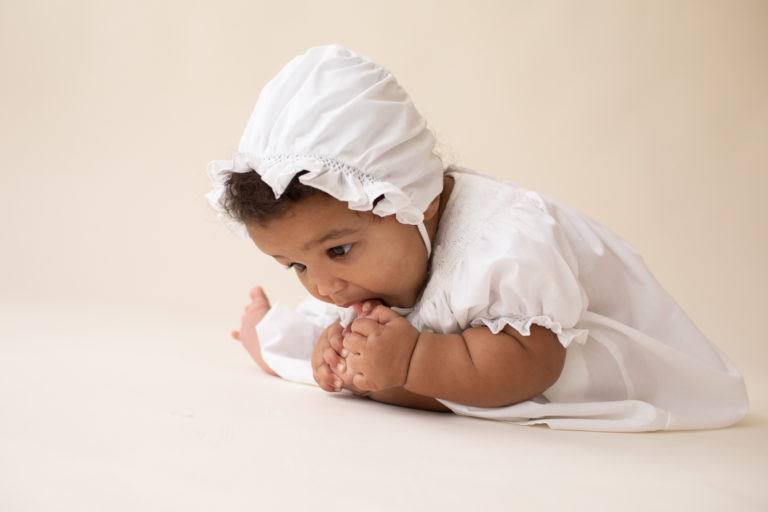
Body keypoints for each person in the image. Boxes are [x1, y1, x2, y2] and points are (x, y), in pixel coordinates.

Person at [206, 44, 748, 431]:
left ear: (420, 201)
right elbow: (373, 318)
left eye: (338, 251)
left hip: (580, 369)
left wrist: (413, 358)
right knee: (343, 357)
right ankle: (283, 342)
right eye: (295, 267)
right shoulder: (379, 263)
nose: (323, 285)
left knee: (413, 367)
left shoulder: (505, 246)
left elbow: (533, 365)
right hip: (451, 354)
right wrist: (343, 355)